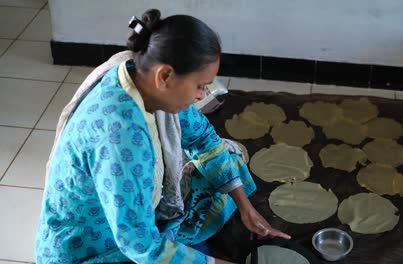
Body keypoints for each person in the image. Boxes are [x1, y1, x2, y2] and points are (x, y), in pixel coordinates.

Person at [35, 8, 290, 264]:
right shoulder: (121, 137)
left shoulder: (138, 71)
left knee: (228, 156)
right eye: (200, 86)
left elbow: (202, 138)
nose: (203, 95)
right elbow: (141, 245)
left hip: (128, 212)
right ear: (165, 76)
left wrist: (246, 209)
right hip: (94, 247)